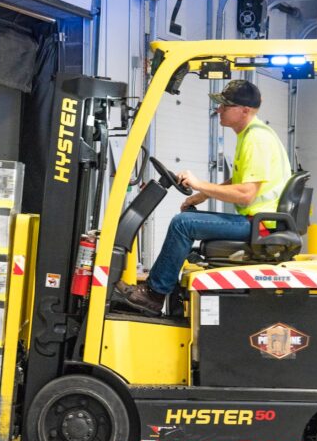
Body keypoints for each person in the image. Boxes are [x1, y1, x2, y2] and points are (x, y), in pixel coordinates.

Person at [117, 79, 291, 315]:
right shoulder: (250, 134)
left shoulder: (256, 139)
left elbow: (246, 194)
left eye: (225, 106)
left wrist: (200, 183)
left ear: (244, 111)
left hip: (260, 226)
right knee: (188, 218)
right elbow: (241, 180)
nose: (218, 109)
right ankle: (160, 288)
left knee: (183, 224)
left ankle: (154, 295)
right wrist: (200, 195)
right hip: (257, 221)